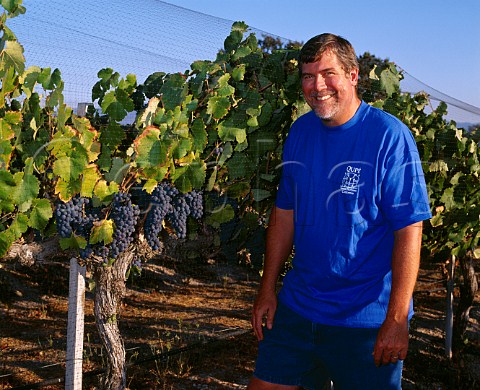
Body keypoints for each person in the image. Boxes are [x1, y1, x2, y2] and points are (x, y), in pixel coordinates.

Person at [247, 33, 432, 390]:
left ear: (353, 75)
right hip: (299, 310)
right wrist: (267, 288)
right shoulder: (300, 131)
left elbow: (409, 229)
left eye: (328, 73)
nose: (317, 86)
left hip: (365, 322)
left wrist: (396, 319)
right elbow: (285, 213)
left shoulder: (389, 136)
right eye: (307, 75)